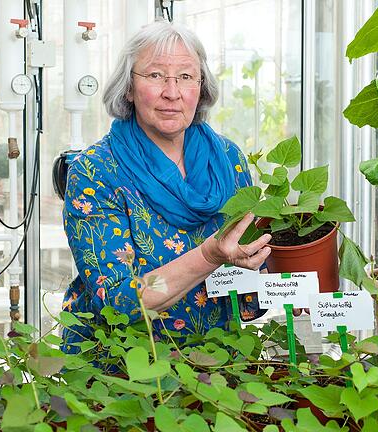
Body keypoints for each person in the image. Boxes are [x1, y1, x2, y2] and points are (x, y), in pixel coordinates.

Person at [61, 20, 271, 351]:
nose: (171, 92)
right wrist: (208, 256)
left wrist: (286, 282)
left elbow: (250, 270)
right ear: (129, 87)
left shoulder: (228, 159)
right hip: (125, 372)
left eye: (186, 77)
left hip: (221, 365)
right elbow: (119, 300)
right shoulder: (96, 171)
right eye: (156, 75)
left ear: (201, 88)